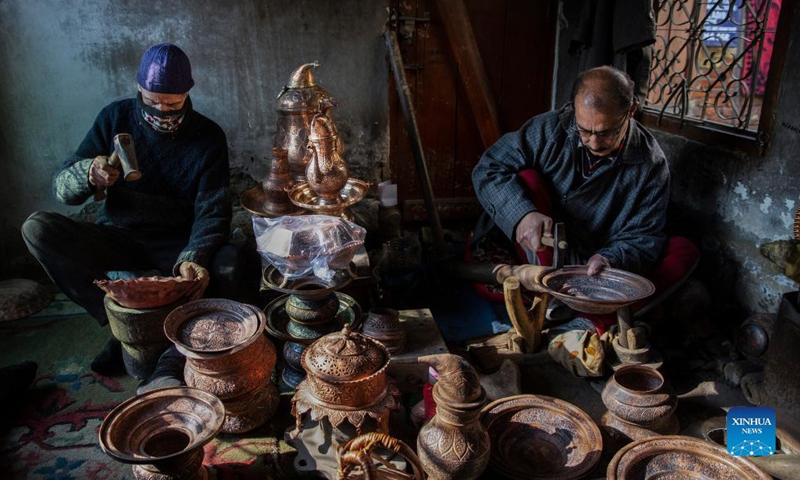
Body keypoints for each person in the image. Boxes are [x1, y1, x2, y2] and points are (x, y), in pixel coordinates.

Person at [21, 44, 234, 391]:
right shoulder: (114, 118)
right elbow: (62, 190)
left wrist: (194, 256)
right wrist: (88, 174)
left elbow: (213, 209)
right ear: (139, 88)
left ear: (187, 92)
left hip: (175, 242)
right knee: (38, 229)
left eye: (172, 104)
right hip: (119, 235)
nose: (161, 111)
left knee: (232, 264)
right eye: (152, 101)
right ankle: (123, 328)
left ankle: (169, 348)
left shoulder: (208, 136)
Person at [472, 66, 698, 328]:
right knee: (528, 180)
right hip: (536, 249)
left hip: (592, 269)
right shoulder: (549, 129)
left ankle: (584, 318)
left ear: (631, 111)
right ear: (574, 110)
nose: (593, 143)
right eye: (584, 130)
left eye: (605, 132)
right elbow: (489, 168)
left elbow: (643, 235)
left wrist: (610, 258)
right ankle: (587, 312)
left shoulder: (650, 164)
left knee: (683, 251)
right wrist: (522, 214)